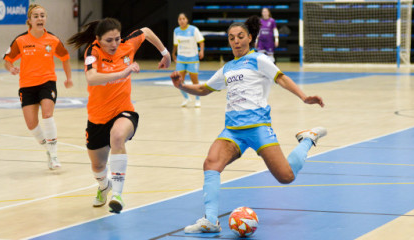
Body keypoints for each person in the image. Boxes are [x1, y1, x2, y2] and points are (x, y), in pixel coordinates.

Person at [170, 16, 326, 233]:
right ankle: (211, 221)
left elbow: (281, 78)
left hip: (258, 127)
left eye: (240, 37)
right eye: (232, 38)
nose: (236, 41)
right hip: (232, 131)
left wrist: (304, 97)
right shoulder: (227, 68)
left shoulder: (259, 59)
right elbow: (204, 88)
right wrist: (182, 86)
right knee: (211, 163)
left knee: (286, 176)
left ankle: (307, 138)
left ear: (250, 38)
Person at [67, 18, 171, 213]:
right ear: (98, 39)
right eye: (109, 40)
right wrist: (123, 73)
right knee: (97, 166)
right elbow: (91, 77)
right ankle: (104, 186)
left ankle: (117, 195)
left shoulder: (127, 45)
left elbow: (146, 30)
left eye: (117, 39)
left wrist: (164, 53)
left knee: (117, 137)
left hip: (124, 111)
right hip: (97, 117)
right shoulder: (93, 51)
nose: (114, 44)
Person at [3, 4, 73, 170]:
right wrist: (11, 68)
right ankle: (48, 149)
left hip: (47, 82)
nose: (40, 18)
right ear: (29, 21)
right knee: (31, 124)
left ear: (45, 19)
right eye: (36, 16)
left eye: (42, 15)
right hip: (27, 85)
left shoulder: (53, 40)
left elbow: (65, 57)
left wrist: (69, 77)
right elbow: (8, 60)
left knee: (47, 114)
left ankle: (54, 154)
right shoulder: (20, 40)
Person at [172, 13, 205, 107]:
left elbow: (201, 41)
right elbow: (175, 44)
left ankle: (198, 99)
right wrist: (173, 53)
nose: (181, 21)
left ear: (187, 20)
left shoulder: (194, 29)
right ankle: (186, 98)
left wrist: (201, 51)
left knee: (194, 81)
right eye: (179, 19)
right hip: (181, 58)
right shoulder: (176, 31)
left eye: (183, 18)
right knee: (179, 81)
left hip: (192, 58)